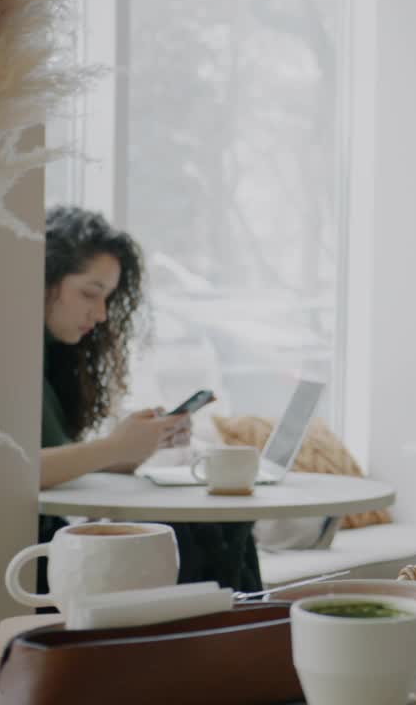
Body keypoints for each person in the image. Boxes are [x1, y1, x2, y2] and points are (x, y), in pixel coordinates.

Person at [40, 206, 261, 593]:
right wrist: (112, 447)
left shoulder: (50, 363)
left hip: (52, 538)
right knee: (194, 537)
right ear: (42, 278)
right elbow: (14, 474)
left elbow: (50, 468)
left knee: (217, 529)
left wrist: (131, 451)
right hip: (31, 554)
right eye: (90, 293)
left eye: (108, 298)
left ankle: (233, 643)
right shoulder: (14, 364)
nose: (102, 314)